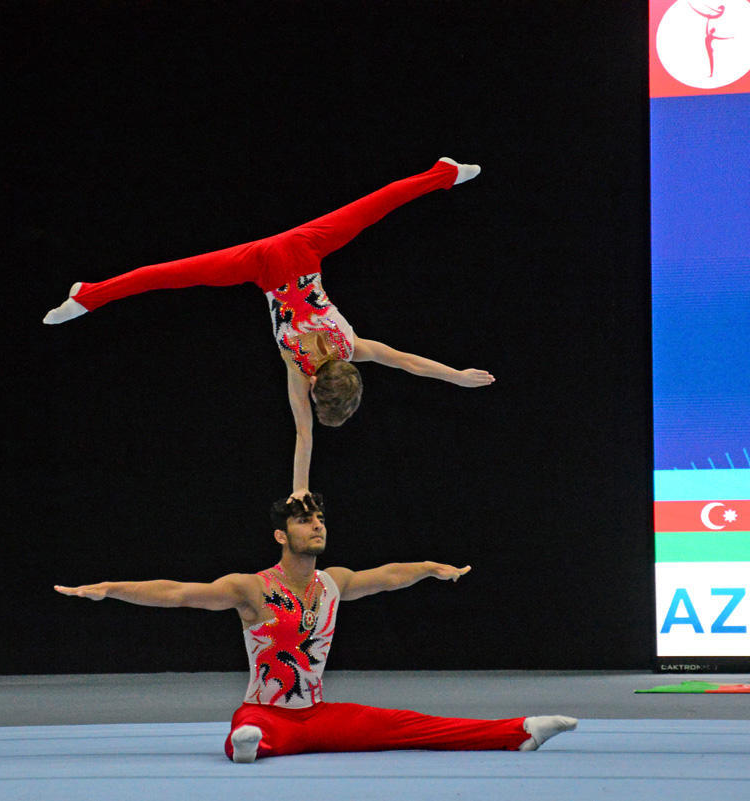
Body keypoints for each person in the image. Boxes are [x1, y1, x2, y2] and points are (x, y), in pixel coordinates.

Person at [42, 159, 496, 501]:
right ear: (317, 384)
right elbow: (304, 435)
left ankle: (445, 172)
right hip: (262, 266)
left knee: (376, 205)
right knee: (168, 275)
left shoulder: (353, 347)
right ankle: (86, 296)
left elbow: (410, 362)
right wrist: (298, 489)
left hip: (305, 246)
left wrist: (458, 376)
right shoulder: (300, 369)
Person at [54, 493, 577, 762]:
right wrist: (108, 587)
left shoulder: (334, 583)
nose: (318, 525)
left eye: (321, 518)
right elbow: (175, 592)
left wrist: (430, 568)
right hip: (267, 711)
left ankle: (520, 731)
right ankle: (248, 745)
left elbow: (388, 576)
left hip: (319, 715)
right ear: (281, 534)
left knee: (405, 724)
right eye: (306, 520)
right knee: (249, 725)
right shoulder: (251, 588)